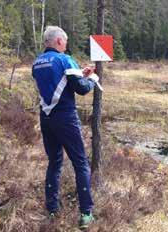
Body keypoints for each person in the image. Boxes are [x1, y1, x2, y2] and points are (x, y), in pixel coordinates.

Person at [32, 26, 97, 229]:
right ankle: (86, 213)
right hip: (65, 117)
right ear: (59, 41)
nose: (66, 44)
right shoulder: (64, 59)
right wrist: (92, 80)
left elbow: (57, 81)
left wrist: (80, 73)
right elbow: (81, 88)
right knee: (81, 163)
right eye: (65, 41)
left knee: (54, 162)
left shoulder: (36, 63)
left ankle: (52, 208)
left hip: (46, 117)